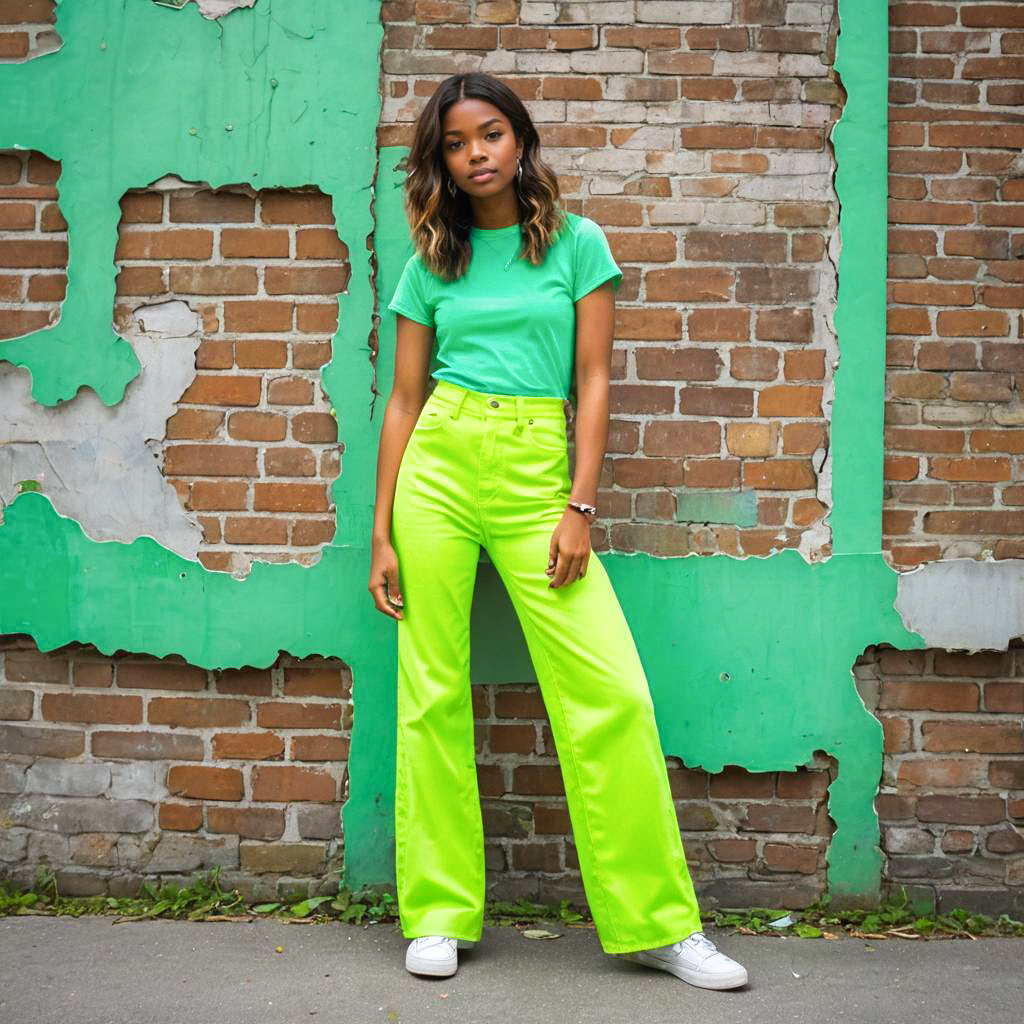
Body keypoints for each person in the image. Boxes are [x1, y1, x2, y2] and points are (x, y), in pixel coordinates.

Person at [368, 71, 748, 991]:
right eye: (455, 144)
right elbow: (405, 399)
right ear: (442, 164)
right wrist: (379, 531)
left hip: (539, 464)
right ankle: (438, 912)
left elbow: (596, 380)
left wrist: (579, 506)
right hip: (442, 463)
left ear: (520, 139)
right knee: (431, 689)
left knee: (611, 692)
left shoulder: (577, 245)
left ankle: (658, 924)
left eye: (489, 133)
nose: (475, 154)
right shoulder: (434, 266)